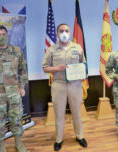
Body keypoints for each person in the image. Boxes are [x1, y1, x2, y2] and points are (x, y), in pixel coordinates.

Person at [42, 23, 87, 151]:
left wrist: (83, 74)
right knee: (59, 114)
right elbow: (45, 67)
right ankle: (58, 140)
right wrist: (57, 68)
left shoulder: (77, 47)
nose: (64, 33)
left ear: (69, 32)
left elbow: (83, 64)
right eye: (61, 31)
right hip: (59, 85)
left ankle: (80, 136)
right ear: (57, 33)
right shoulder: (51, 49)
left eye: (66, 30)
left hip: (75, 85)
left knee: (77, 113)